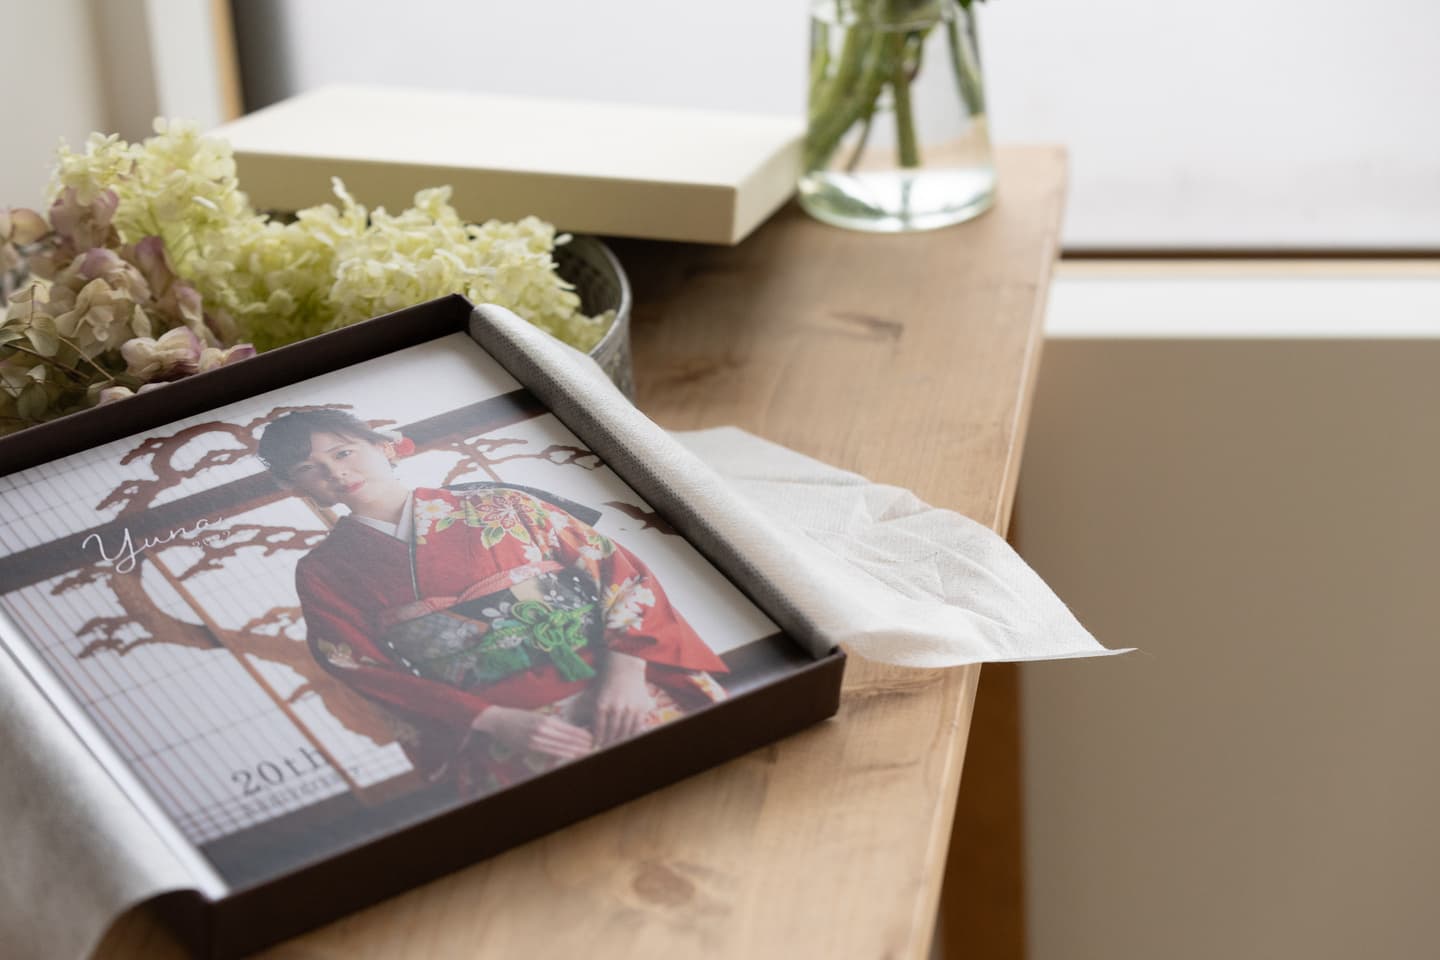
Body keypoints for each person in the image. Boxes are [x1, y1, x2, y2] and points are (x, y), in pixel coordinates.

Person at [257, 409, 728, 796]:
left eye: (343, 452)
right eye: (308, 469)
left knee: (707, 778)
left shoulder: (502, 505)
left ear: (385, 446)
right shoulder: (322, 571)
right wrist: (492, 720)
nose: (336, 472)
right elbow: (353, 662)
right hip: (505, 728)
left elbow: (619, 575)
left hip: (621, 688)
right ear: (293, 486)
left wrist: (627, 677)